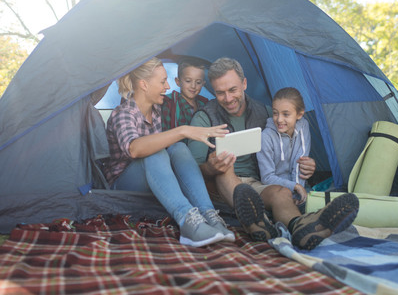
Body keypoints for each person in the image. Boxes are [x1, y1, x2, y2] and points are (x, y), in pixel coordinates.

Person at [188, 58, 359, 250]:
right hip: (221, 187)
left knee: (281, 192)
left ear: (244, 84)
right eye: (220, 93)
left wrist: (306, 164)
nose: (227, 99)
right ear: (212, 90)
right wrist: (210, 168)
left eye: (232, 90)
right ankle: (257, 220)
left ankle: (300, 226)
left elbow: (288, 149)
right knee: (225, 165)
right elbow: (189, 170)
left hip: (258, 184)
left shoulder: (267, 113)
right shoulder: (204, 118)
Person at [104, 57, 235, 247]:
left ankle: (209, 215)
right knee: (155, 152)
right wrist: (182, 130)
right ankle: (187, 221)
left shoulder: (157, 111)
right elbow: (135, 149)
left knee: (179, 147)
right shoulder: (124, 113)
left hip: (153, 179)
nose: (167, 86)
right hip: (123, 186)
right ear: (143, 84)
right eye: (162, 81)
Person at [256, 87, 310, 210]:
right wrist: (294, 187)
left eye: (286, 114)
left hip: (299, 185)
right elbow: (267, 177)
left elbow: (300, 162)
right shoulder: (266, 137)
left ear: (299, 114)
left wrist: (298, 192)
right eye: (275, 113)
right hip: (276, 189)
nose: (279, 119)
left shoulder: (303, 127)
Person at [162, 57, 209, 131]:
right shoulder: (169, 103)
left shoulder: (204, 104)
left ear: (203, 84)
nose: (193, 86)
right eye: (188, 81)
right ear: (178, 82)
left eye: (198, 82)